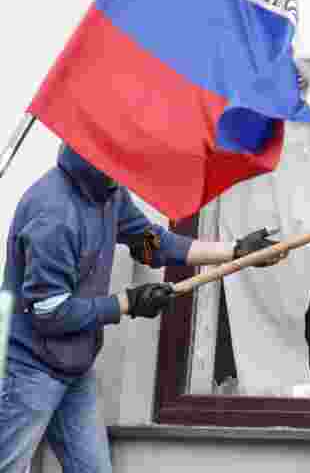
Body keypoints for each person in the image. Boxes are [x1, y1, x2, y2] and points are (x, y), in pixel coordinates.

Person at [0, 143, 284, 473]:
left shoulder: (107, 193)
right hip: (30, 369)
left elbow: (149, 245)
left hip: (74, 366)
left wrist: (236, 251)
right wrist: (127, 303)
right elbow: (49, 313)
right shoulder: (54, 216)